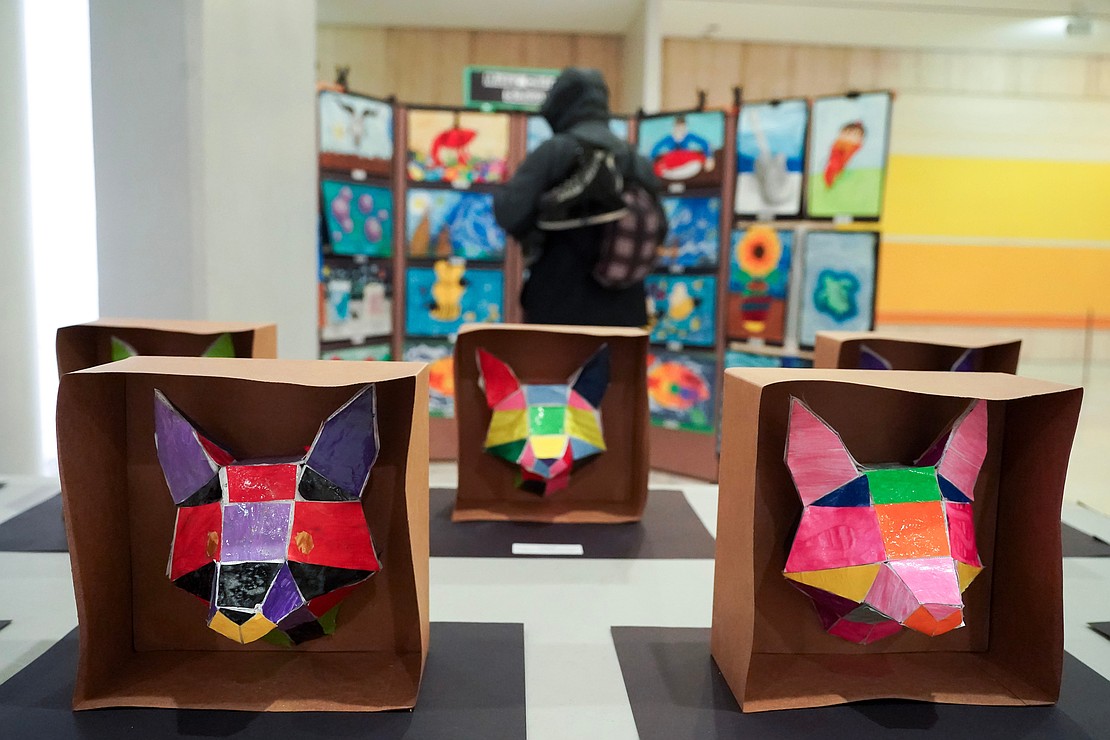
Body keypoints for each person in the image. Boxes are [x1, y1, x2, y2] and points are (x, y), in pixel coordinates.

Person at [493, 67, 660, 326]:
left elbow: (509, 211)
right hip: (625, 307)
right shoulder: (635, 159)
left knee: (550, 368)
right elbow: (661, 227)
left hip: (557, 304)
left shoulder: (557, 150)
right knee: (617, 368)